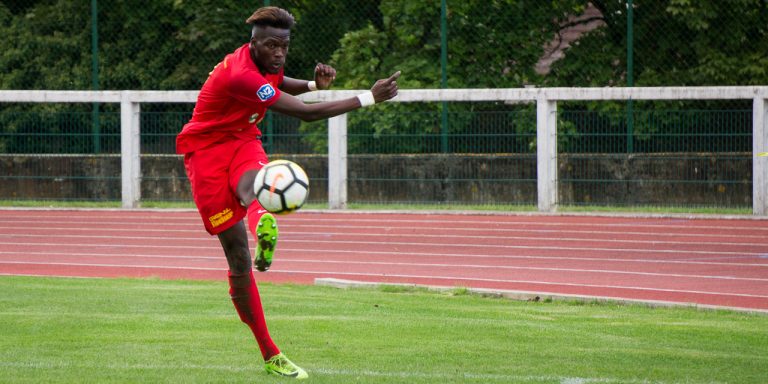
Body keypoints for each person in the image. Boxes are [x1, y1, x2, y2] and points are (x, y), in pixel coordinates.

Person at [175, 6, 399, 380]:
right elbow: (304, 113)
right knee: (238, 260)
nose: (279, 53)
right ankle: (269, 351)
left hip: (243, 138)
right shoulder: (240, 74)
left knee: (257, 182)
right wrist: (368, 98)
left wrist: (313, 86)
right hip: (206, 152)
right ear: (253, 43)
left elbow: (279, 82)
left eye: (284, 45)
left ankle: (262, 221)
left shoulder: (265, 61)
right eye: (271, 46)